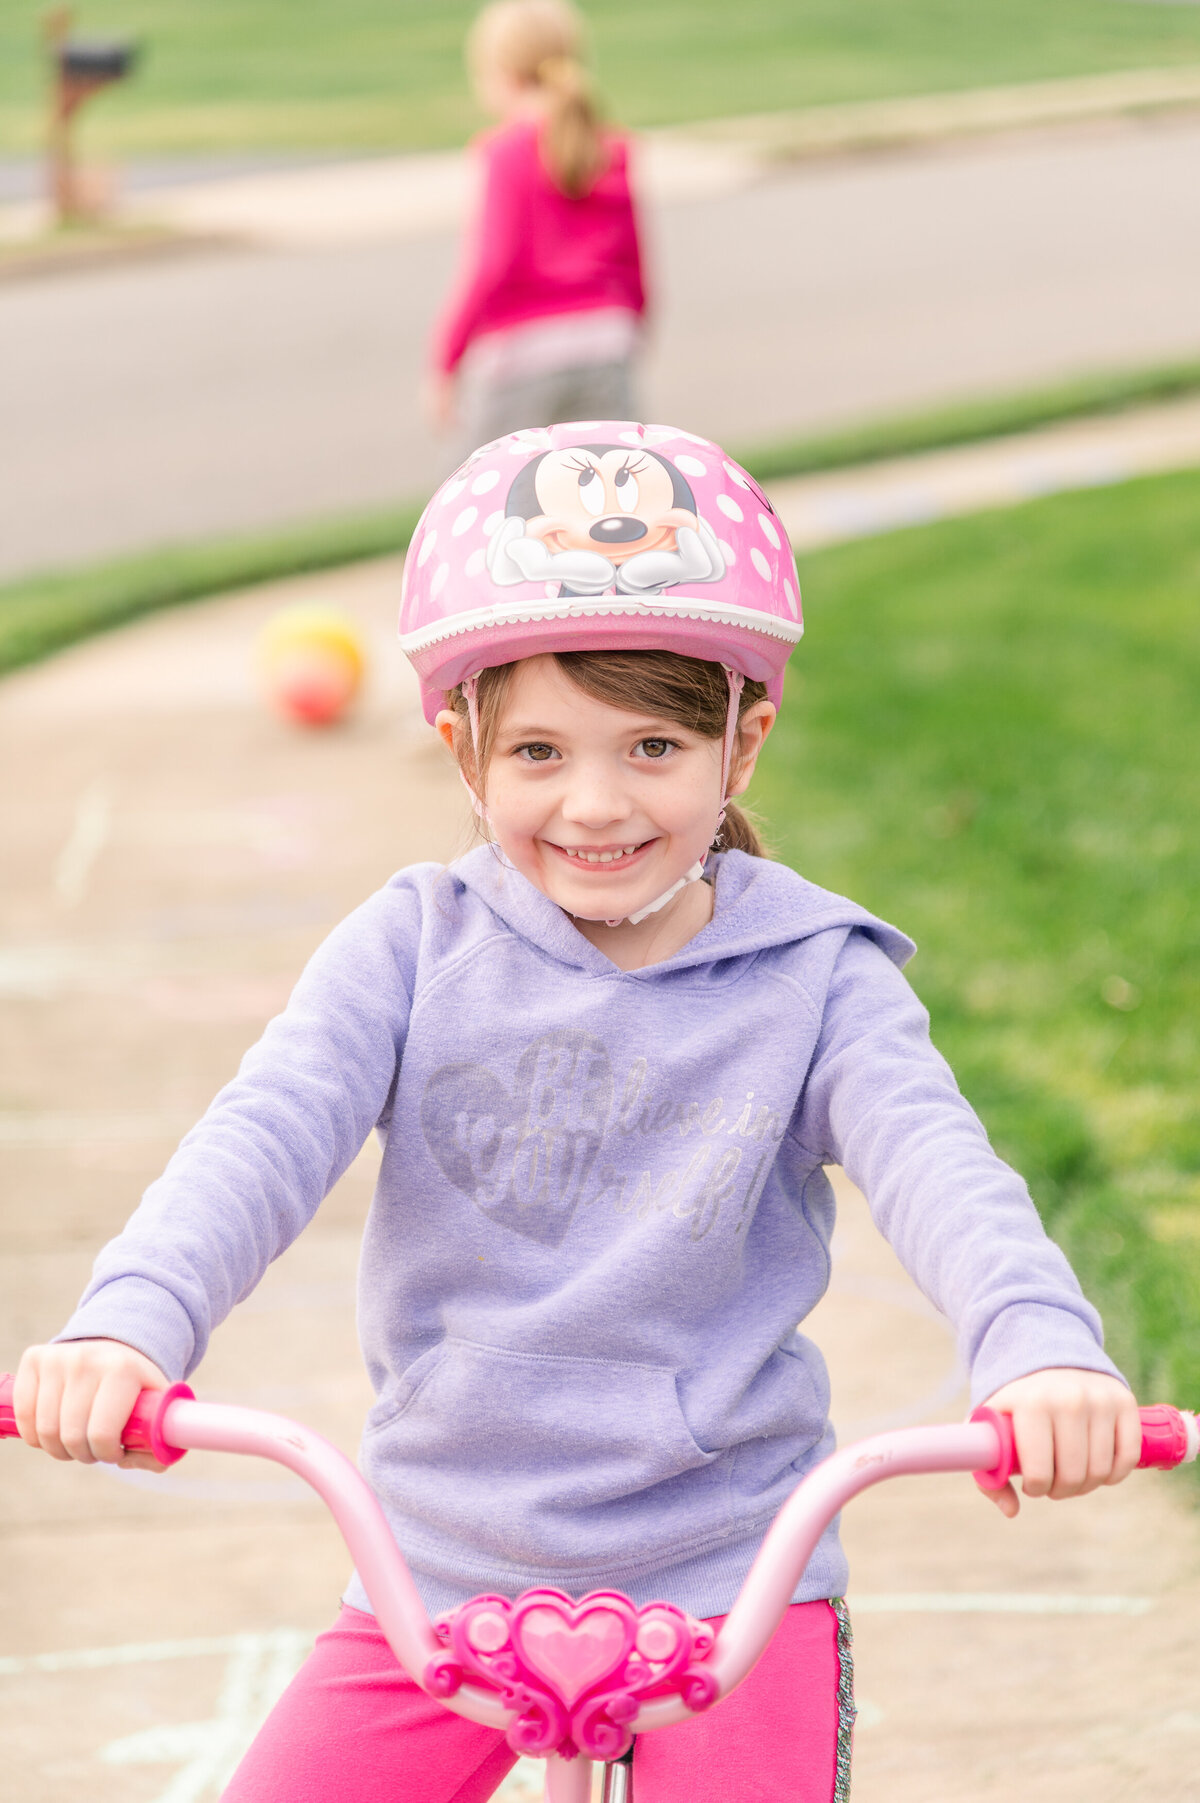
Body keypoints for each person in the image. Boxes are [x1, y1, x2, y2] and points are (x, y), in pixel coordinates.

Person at [13, 421, 1141, 1803]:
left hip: (730, 1572)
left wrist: (1038, 1348)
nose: (596, 802)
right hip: (434, 1563)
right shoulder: (410, 947)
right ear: (459, 745)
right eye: (539, 749)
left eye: (654, 742)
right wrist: (130, 1320)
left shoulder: (818, 978)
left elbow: (941, 1164)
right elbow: (264, 1132)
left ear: (745, 739)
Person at [426, 0, 646, 451]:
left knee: (491, 497)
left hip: (522, 355)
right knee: (610, 496)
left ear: (503, 74)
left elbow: (491, 266)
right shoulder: (611, 148)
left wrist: (446, 361)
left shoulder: (504, 153)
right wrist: (633, 329)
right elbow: (635, 261)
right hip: (606, 340)